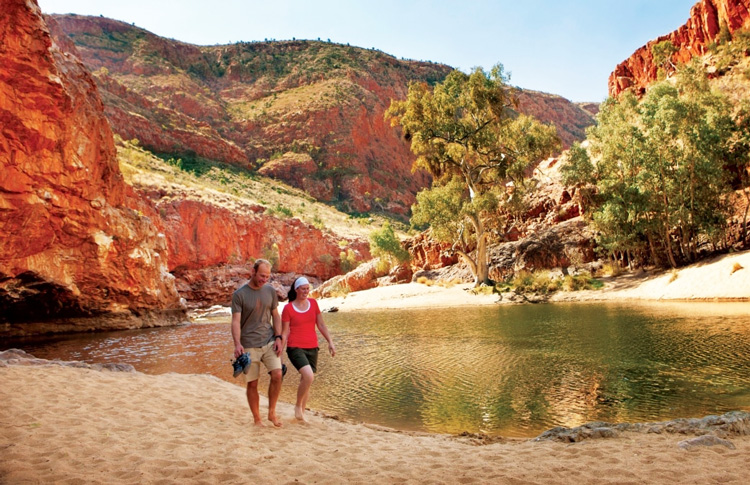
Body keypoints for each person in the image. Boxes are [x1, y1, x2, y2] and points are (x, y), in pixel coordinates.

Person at [231, 259, 284, 427]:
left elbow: (276, 316)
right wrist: (237, 344)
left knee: (277, 374)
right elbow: (235, 322)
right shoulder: (239, 295)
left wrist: (279, 337)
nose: (264, 279)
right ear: (252, 272)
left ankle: (271, 412)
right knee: (252, 383)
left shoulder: (270, 291)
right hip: (248, 344)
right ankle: (257, 419)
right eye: (262, 275)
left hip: (269, 340)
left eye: (267, 276)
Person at [281, 276, 336, 423]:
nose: (306, 292)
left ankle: (301, 415)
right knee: (309, 376)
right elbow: (285, 332)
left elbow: (321, 325)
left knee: (306, 380)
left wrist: (330, 342)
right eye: (303, 289)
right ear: (296, 289)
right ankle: (298, 407)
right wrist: (280, 348)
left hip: (312, 347)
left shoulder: (313, 303)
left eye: (307, 289)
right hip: (295, 347)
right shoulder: (288, 308)